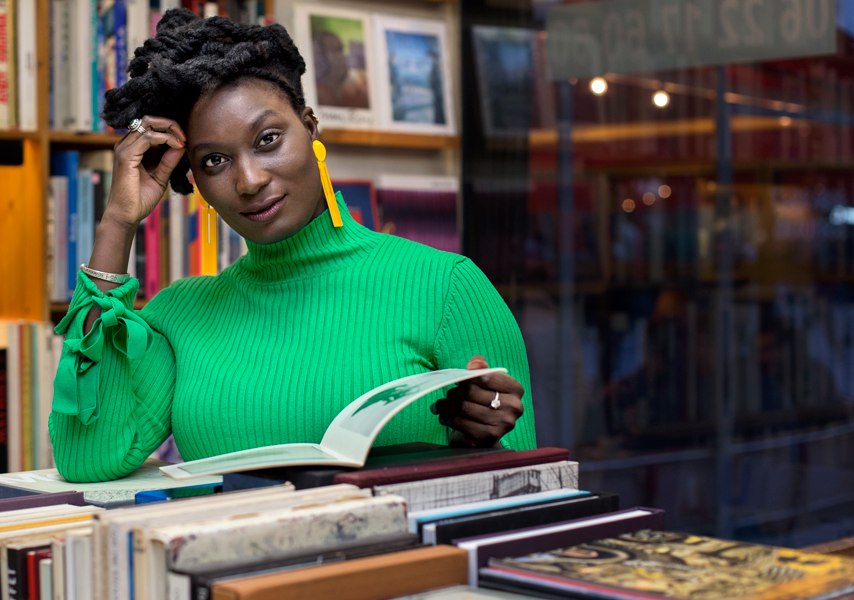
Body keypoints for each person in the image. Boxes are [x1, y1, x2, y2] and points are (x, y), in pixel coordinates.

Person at [50, 9, 535, 482]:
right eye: (215, 160)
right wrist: (117, 222)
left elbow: (526, 496)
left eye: (267, 139)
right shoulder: (180, 314)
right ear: (193, 177)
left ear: (310, 126)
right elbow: (87, 459)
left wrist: (482, 437)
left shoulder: (445, 287)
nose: (249, 180)